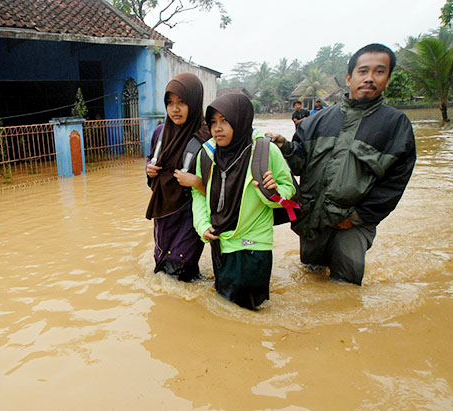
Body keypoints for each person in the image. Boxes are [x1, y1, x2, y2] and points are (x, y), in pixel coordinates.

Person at [268, 43, 416, 285]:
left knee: (345, 287)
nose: (369, 78)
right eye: (363, 71)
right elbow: (299, 165)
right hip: (312, 218)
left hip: (354, 224)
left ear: (387, 79)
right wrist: (285, 146)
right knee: (310, 275)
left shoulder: (395, 125)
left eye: (379, 72)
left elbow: (395, 183)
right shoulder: (317, 121)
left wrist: (357, 217)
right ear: (349, 78)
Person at [191, 93, 296, 310]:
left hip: (254, 243)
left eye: (225, 121)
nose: (217, 128)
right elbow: (199, 194)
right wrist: (202, 225)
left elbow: (289, 191)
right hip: (220, 241)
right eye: (213, 122)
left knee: (252, 309)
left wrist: (274, 192)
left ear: (241, 120)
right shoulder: (206, 154)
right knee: (224, 302)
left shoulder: (266, 151)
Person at [145, 73, 211, 281]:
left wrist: (197, 183)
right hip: (163, 211)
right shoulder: (160, 133)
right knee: (163, 266)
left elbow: (224, 182)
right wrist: (149, 169)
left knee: (181, 270)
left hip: (190, 215)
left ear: (194, 101)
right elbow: (151, 161)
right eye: (170, 103)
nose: (175, 109)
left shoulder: (207, 138)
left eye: (182, 102)